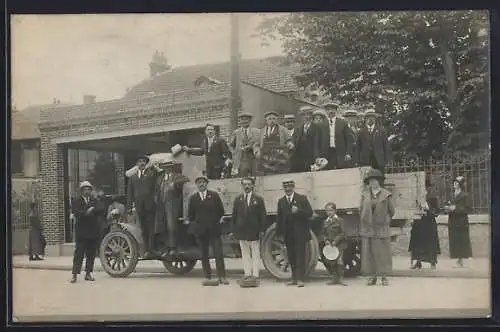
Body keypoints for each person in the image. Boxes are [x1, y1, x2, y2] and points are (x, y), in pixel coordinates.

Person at [187, 175, 229, 286]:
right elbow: (191, 216)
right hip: (201, 231)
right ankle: (207, 276)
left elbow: (221, 211)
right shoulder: (193, 198)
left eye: (203, 182)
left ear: (207, 184)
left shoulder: (214, 195)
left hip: (214, 230)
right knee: (204, 254)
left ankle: (222, 276)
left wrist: (215, 222)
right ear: (196, 185)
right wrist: (197, 227)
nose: (201, 184)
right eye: (199, 182)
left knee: (218, 253)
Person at [359, 169, 395, 286]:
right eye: (370, 181)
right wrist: (366, 220)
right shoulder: (364, 194)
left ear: (379, 181)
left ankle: (384, 277)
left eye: (375, 180)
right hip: (368, 228)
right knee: (369, 253)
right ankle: (372, 276)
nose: (373, 183)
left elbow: (391, 211)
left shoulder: (386, 194)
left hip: (381, 228)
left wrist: (385, 221)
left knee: (382, 253)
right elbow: (361, 209)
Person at [276, 179, 313, 287]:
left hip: (300, 233)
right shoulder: (281, 201)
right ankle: (294, 278)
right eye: (285, 187)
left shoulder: (301, 198)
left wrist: (299, 211)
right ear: (283, 188)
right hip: (288, 234)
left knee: (300, 256)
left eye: (289, 187)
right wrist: (279, 234)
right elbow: (279, 218)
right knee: (291, 256)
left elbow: (309, 213)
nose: (287, 189)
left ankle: (300, 279)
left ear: (293, 187)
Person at [231, 177, 267, 287]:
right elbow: (234, 215)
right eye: (244, 184)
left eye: (249, 184)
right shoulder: (238, 199)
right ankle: (247, 273)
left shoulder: (258, 199)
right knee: (245, 253)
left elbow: (263, 216)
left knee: (255, 253)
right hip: (242, 231)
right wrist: (234, 230)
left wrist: (261, 230)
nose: (246, 186)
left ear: (252, 186)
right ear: (242, 186)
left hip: (254, 230)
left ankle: (255, 274)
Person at [154, 155, 190, 258]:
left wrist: (174, 184)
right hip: (162, 204)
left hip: (173, 204)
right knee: (163, 226)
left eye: (169, 166)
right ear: (164, 168)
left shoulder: (177, 176)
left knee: (171, 225)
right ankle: (166, 248)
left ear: (172, 167)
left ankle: (173, 247)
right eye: (166, 167)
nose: (168, 168)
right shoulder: (160, 178)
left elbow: (186, 179)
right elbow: (156, 190)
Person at [70, 181, 105, 283]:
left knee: (91, 254)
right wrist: (86, 212)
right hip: (81, 232)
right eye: (85, 189)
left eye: (89, 189)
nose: (87, 191)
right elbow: (76, 212)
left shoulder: (94, 200)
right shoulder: (76, 201)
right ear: (81, 191)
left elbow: (101, 208)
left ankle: (88, 273)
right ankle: (74, 274)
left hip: (93, 231)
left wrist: (93, 208)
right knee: (79, 254)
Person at [127, 155, 160, 259]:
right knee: (142, 228)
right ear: (136, 164)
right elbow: (130, 193)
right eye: (139, 161)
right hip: (139, 206)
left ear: (146, 164)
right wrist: (129, 207)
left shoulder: (151, 174)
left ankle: (151, 250)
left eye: (143, 162)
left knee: (151, 228)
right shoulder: (133, 177)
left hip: (150, 205)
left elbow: (158, 176)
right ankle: (145, 250)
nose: (141, 163)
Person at [408, 179, 441, 269]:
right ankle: (418, 262)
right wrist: (412, 217)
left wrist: (428, 208)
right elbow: (411, 209)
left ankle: (432, 262)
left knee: (430, 243)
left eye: (426, 187)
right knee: (418, 243)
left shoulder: (433, 197)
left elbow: (437, 212)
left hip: (429, 223)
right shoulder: (416, 197)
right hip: (418, 223)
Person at [444, 176, 472, 268]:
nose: (455, 183)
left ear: (461, 184)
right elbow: (446, 205)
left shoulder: (465, 195)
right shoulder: (451, 195)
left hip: (461, 221)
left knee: (462, 240)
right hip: (452, 221)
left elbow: (467, 209)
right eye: (454, 182)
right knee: (454, 240)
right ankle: (457, 260)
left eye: (457, 182)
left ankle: (463, 260)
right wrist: (447, 208)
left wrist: (455, 208)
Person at [316, 102, 354, 170]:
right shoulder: (321, 125)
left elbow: (349, 139)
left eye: (332, 109)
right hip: (326, 154)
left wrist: (348, 153)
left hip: (339, 152)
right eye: (328, 109)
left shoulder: (343, 123)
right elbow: (317, 142)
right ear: (326, 111)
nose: (330, 111)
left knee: (341, 172)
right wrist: (317, 156)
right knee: (327, 173)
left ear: (336, 110)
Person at [255, 111, 293, 175]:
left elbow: (289, 140)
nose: (272, 121)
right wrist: (257, 151)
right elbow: (256, 144)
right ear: (266, 120)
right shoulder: (261, 131)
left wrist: (290, 144)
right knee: (266, 175)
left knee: (280, 174)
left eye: (274, 119)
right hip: (265, 158)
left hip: (279, 157)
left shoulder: (283, 130)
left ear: (277, 120)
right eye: (270, 119)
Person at [318, 202, 347, 285]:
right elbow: (323, 233)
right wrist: (326, 240)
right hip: (330, 245)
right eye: (327, 211)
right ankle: (334, 279)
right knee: (331, 261)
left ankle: (341, 279)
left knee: (339, 261)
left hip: (340, 244)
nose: (329, 212)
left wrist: (336, 241)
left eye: (331, 210)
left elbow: (343, 233)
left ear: (335, 211)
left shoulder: (340, 220)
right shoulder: (325, 222)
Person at [356, 109, 392, 174]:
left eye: (372, 117)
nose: (370, 119)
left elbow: (386, 146)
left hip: (379, 160)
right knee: (366, 179)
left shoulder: (381, 131)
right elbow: (358, 147)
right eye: (368, 117)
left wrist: (387, 161)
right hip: (365, 161)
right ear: (365, 119)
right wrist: (358, 160)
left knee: (380, 179)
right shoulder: (361, 132)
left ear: (375, 118)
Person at [229, 112, 260, 177]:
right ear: (240, 121)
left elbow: (259, 143)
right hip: (242, 158)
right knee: (242, 176)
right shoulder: (236, 132)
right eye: (242, 120)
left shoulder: (257, 131)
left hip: (253, 157)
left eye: (246, 119)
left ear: (250, 121)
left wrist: (253, 147)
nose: (244, 121)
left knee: (255, 175)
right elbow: (231, 145)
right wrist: (234, 153)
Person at [291, 106, 319, 173]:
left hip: (312, 157)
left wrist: (317, 157)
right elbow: (293, 140)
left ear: (311, 115)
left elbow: (319, 143)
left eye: (308, 114)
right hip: (300, 158)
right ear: (301, 116)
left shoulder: (317, 128)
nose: (306, 117)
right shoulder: (298, 129)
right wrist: (291, 144)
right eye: (303, 115)